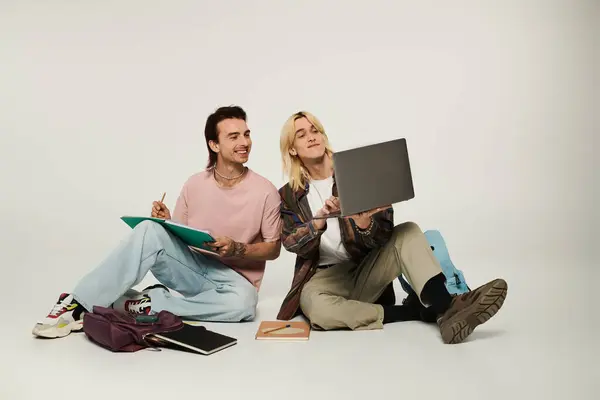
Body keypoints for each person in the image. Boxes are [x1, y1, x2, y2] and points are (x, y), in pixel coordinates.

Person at [33, 105, 282, 338]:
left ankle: (139, 304)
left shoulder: (265, 191)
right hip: (195, 269)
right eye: (234, 136)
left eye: (246, 135)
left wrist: (237, 248)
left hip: (234, 282)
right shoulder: (194, 184)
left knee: (245, 305)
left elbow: (273, 249)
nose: (244, 142)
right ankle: (79, 302)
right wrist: (167, 222)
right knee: (149, 229)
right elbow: (183, 235)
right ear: (214, 144)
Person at [276, 111, 507, 344]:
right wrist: (319, 221)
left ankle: (448, 307)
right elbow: (292, 243)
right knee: (315, 308)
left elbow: (385, 231)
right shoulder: (289, 195)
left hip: (367, 268)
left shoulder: (358, 172)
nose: (311, 137)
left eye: (315, 130)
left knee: (408, 231)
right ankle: (421, 312)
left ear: (323, 136)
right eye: (301, 134)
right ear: (293, 149)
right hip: (326, 278)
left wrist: (364, 223)